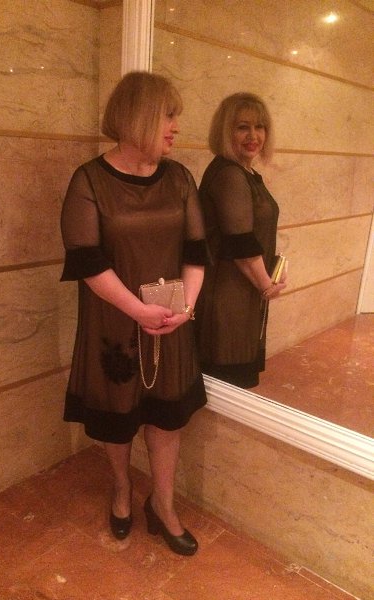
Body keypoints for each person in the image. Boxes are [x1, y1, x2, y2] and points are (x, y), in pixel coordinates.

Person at [60, 71, 208, 555]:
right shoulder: (89, 180)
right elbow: (86, 260)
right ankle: (122, 490)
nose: (175, 127)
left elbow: (196, 251)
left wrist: (185, 308)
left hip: (170, 323)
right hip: (114, 322)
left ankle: (162, 505)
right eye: (168, 115)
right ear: (139, 115)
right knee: (118, 417)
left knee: (167, 418)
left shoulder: (180, 178)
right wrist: (137, 310)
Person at [195, 92, 286, 389]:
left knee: (233, 380)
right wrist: (266, 284)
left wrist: (274, 268)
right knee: (226, 385)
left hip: (242, 291)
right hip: (228, 294)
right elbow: (241, 244)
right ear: (225, 131)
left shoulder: (245, 173)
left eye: (260, 127)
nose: (253, 136)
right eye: (242, 127)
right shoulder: (230, 175)